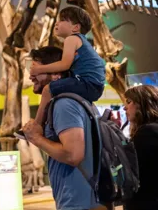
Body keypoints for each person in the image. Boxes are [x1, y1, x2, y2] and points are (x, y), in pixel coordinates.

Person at [22, 46, 100, 210]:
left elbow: (73, 155)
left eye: (36, 70)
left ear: (57, 74)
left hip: (79, 202)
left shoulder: (64, 105)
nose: (31, 76)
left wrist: (36, 138)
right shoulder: (76, 101)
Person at [15, 6, 106, 140]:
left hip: (87, 84)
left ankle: (36, 126)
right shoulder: (81, 42)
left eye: (62, 20)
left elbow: (65, 64)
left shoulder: (72, 39)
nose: (57, 23)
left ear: (75, 27)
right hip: (93, 86)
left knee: (47, 89)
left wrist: (40, 69)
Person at [123, 85, 158, 210]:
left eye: (129, 102)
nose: (124, 107)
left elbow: (131, 169)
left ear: (143, 103)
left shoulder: (147, 132)